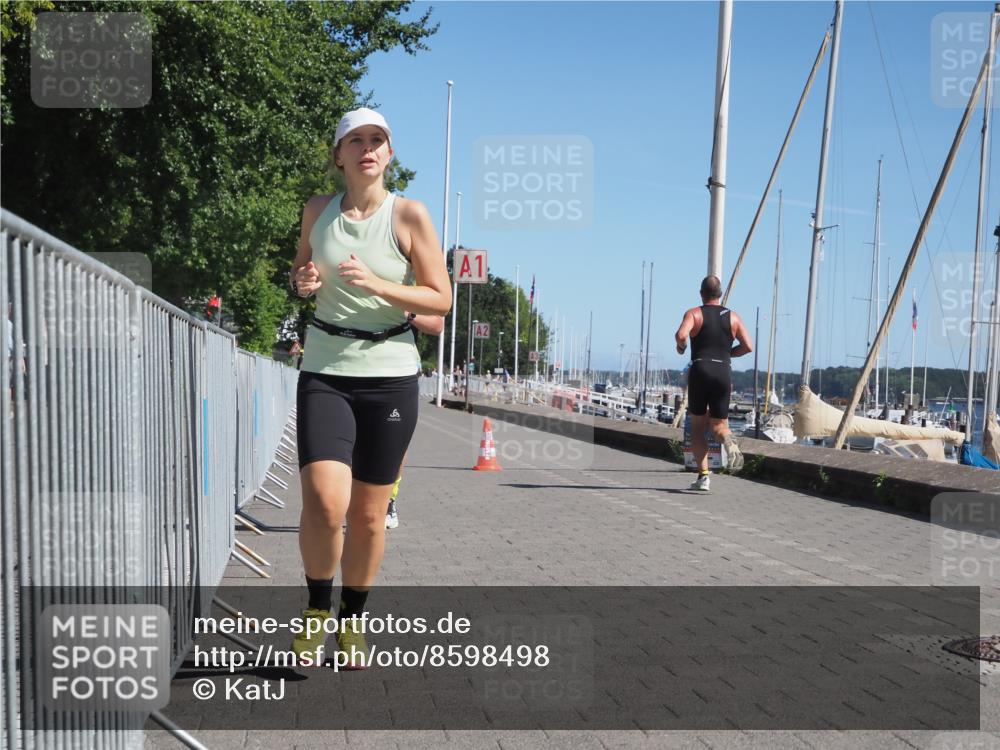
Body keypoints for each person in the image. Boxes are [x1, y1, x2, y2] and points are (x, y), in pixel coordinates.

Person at [287, 107, 452, 668]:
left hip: (389, 376)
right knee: (323, 501)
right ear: (338, 154)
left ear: (389, 153)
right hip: (326, 369)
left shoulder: (409, 215)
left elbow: (440, 298)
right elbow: (301, 273)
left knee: (367, 515)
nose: (367, 149)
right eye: (355, 140)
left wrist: (379, 285)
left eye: (377, 140)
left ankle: (352, 621)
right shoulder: (317, 210)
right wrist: (304, 281)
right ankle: (317, 609)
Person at [674, 275, 753, 491]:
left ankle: (703, 477)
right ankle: (727, 439)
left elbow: (681, 334)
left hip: (700, 369)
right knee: (719, 426)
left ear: (701, 294)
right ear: (720, 294)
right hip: (722, 371)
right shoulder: (733, 317)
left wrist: (681, 347)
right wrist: (728, 353)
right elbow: (748, 346)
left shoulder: (694, 313)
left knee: (698, 428)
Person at [385, 312, 444, 530]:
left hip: (397, 372)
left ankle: (389, 500)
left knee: (394, 445)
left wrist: (406, 313)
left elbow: (437, 323)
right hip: (352, 368)